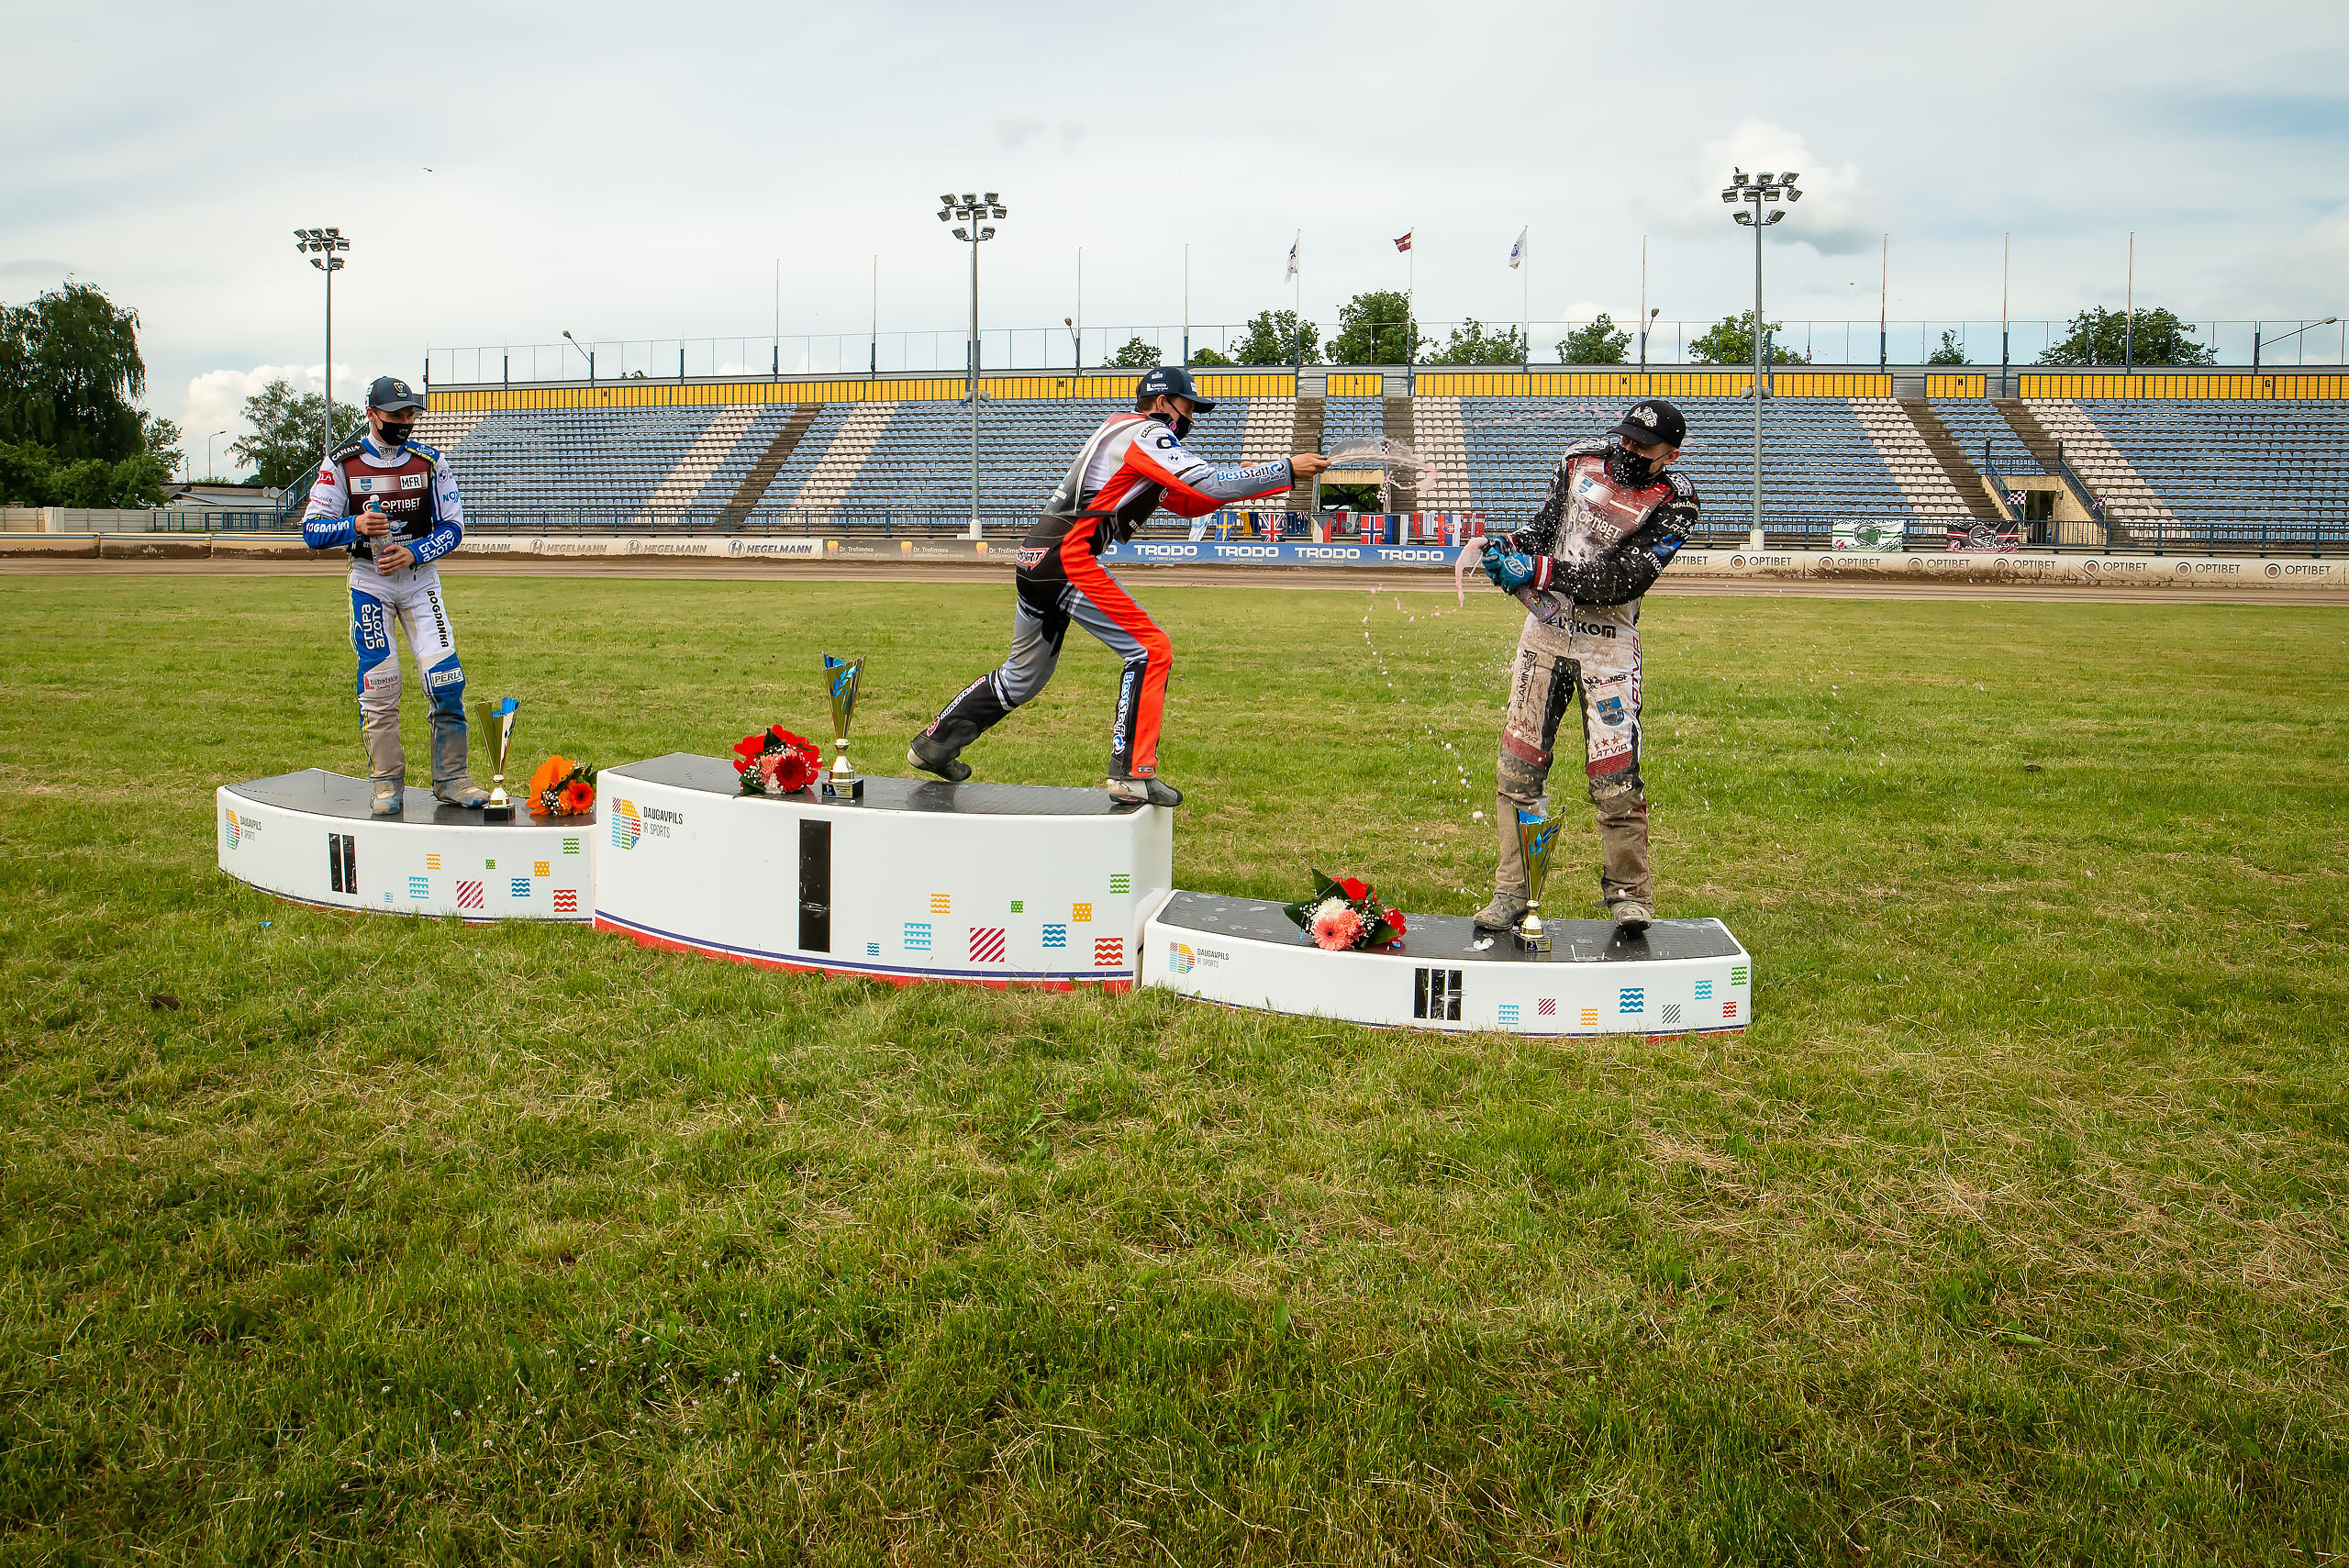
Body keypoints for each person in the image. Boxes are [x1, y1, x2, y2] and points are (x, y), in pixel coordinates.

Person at [909, 366, 1330, 806]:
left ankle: (934, 744)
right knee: (1150, 649)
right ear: (1164, 402)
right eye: (1189, 406)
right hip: (1068, 557)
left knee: (1023, 676)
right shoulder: (1148, 433)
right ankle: (1132, 772)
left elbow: (1191, 501)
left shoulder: (1122, 430)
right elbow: (1204, 482)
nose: (1193, 417)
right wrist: (1285, 469)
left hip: (1037, 557)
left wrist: (1275, 479)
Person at [1472, 397, 1700, 934]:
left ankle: (1629, 894)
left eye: (1642, 447)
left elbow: (1625, 578)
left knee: (1615, 776)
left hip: (1610, 644)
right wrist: (1507, 549)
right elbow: (1543, 530)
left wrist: (1543, 569)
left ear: (1667, 455)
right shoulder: (1577, 462)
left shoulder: (1677, 499)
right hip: (1546, 634)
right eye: (1624, 437)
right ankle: (1512, 892)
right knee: (1519, 768)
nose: (1627, 449)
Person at [300, 375, 490, 817]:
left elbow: (454, 528)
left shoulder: (431, 462)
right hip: (370, 583)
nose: (406, 421)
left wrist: (414, 552)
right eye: (396, 414)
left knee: (447, 680)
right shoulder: (341, 465)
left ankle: (452, 778)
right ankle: (387, 783)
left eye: (411, 413)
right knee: (380, 685)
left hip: (421, 581)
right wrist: (355, 526)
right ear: (372, 415)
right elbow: (311, 531)